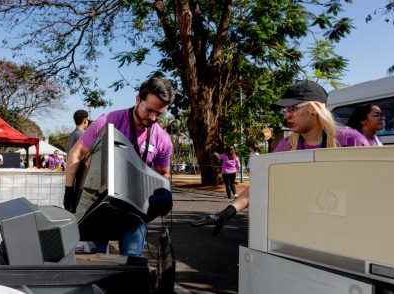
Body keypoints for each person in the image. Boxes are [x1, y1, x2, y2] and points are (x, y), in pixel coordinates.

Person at [192, 80, 370, 236]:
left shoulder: (351, 140)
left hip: (347, 232)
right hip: (303, 231)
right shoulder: (286, 147)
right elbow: (262, 184)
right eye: (285, 109)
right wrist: (227, 212)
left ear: (314, 109)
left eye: (293, 108)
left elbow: (373, 189)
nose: (286, 114)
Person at [65, 76, 175, 257]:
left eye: (159, 113)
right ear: (138, 100)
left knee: (131, 265)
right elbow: (77, 152)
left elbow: (163, 172)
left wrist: (161, 193)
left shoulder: (163, 140)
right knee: (93, 262)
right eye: (149, 110)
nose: (153, 117)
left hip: (134, 211)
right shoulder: (108, 121)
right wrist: (69, 192)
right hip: (97, 205)